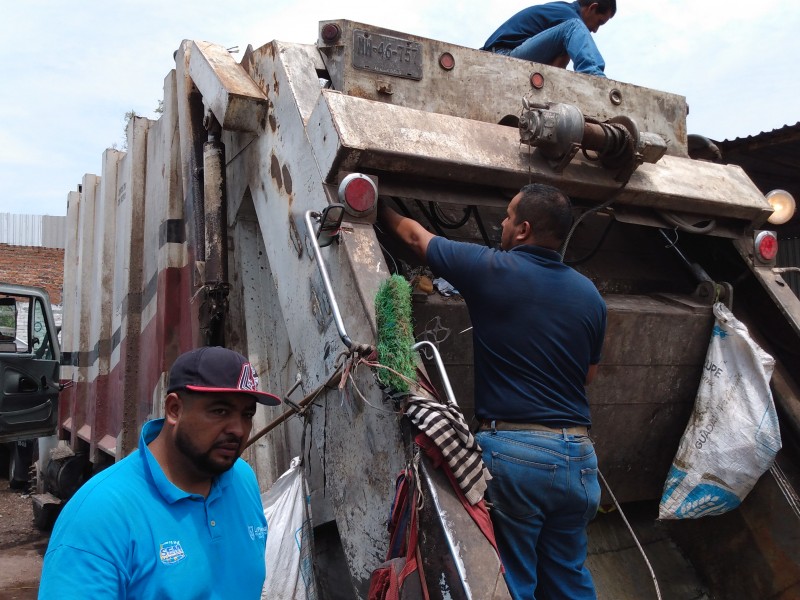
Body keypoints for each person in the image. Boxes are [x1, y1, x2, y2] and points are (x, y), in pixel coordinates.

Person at [379, 184, 606, 599]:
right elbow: (587, 376)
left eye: (506, 216)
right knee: (568, 580)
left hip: (517, 457)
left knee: (513, 581)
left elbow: (414, 237)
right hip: (580, 461)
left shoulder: (490, 268)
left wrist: (376, 201)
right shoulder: (590, 295)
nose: (500, 223)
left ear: (522, 229)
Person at [39, 346, 282, 599]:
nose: (238, 429)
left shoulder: (242, 479)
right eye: (220, 411)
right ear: (174, 409)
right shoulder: (100, 514)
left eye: (247, 414)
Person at [482, 0, 616, 77]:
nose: (595, 30)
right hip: (501, 56)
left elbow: (556, 69)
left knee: (569, 45)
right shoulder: (569, 16)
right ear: (592, 8)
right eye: (599, 22)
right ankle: (594, 77)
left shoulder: (563, 21)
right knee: (574, 27)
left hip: (509, 55)